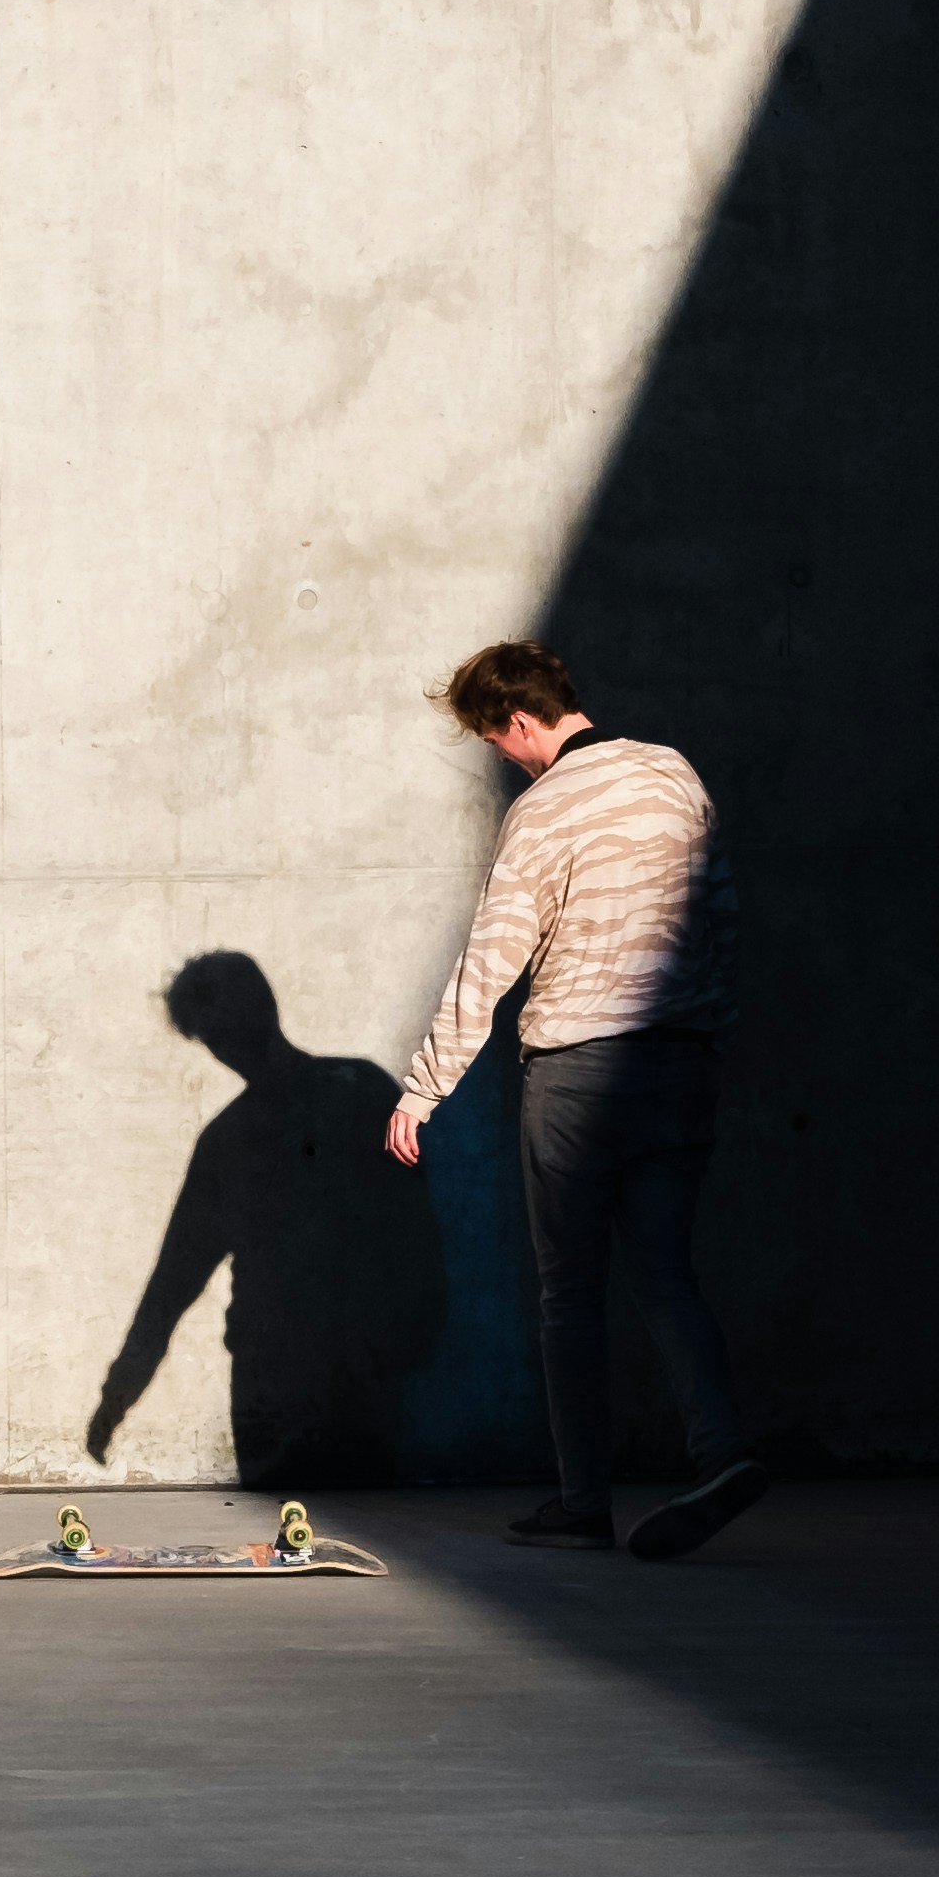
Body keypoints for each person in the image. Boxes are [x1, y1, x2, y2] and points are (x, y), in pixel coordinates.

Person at [386, 640, 767, 1562]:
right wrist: (704, 1033)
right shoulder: (674, 775)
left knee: (568, 1291)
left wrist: (424, 1088)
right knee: (665, 1270)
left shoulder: (544, 808)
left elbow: (494, 956)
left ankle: (582, 1501)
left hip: (582, 1072)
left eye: (492, 739)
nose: (501, 756)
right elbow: (721, 917)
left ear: (519, 722)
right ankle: (723, 1453)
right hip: (679, 1061)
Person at [88, 954, 444, 1490]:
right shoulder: (361, 1091)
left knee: (291, 1540)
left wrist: (118, 1394)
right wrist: (423, 1321)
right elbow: (415, 1224)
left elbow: (175, 1281)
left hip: (290, 1372)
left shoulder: (234, 1138)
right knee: (362, 1525)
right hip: (345, 1364)